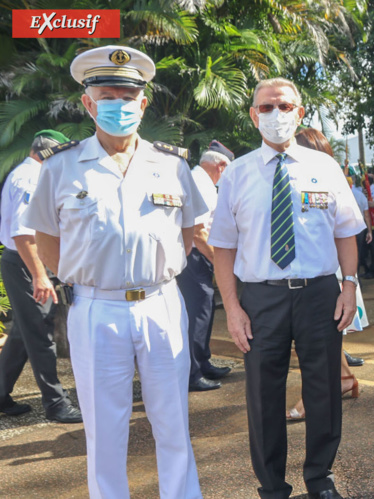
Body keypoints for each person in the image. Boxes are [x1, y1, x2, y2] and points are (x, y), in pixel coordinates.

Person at [23, 45, 206, 498]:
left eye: (127, 98)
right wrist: (80, 274)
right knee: (104, 427)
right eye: (107, 97)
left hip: (161, 303)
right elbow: (45, 236)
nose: (118, 107)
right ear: (88, 103)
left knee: (172, 420)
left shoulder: (172, 164)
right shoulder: (61, 166)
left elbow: (188, 232)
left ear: (143, 104)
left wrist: (158, 270)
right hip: (96, 309)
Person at [209, 77, 364, 499]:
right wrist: (233, 307)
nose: (275, 114)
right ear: (253, 115)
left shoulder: (324, 167)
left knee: (324, 389)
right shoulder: (237, 174)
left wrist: (348, 287)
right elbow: (223, 246)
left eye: (284, 106)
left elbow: (346, 233)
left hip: (318, 293)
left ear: (299, 112)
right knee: (263, 394)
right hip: (261, 297)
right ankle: (273, 486)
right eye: (266, 107)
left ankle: (320, 477)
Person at [0, 129, 83, 424]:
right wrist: (40, 276)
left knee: (23, 333)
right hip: (25, 264)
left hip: (26, 263)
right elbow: (23, 234)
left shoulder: (30, 174)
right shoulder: (30, 179)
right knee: (40, 333)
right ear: (47, 152)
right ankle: (56, 404)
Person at [286, 127, 365, 422]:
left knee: (315, 344)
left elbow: (346, 230)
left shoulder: (327, 177)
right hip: (316, 272)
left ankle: (319, 394)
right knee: (322, 342)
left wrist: (348, 281)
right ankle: (344, 380)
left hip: (329, 273)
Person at [176, 140, 234, 392]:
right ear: (221, 166)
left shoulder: (201, 181)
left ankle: (203, 362)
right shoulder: (199, 183)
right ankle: (192, 373)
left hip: (199, 256)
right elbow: (199, 233)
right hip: (195, 256)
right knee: (197, 314)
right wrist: (217, 261)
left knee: (205, 310)